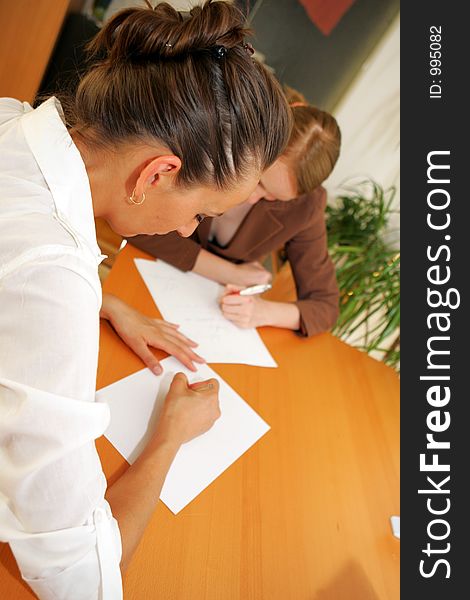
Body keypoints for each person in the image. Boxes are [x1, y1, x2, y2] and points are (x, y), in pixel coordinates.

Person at [0, 2, 291, 598]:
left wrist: (105, 302)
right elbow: (79, 578)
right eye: (201, 211)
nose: (188, 230)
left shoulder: (10, 119)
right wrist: (168, 439)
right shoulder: (52, 277)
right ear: (157, 173)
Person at [128, 86, 341, 344]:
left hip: (204, 310)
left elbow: (326, 306)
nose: (253, 197)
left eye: (275, 197)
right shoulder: (214, 139)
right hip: (142, 271)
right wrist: (229, 273)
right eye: (259, 181)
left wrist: (264, 312)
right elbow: (137, 220)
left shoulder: (306, 206)